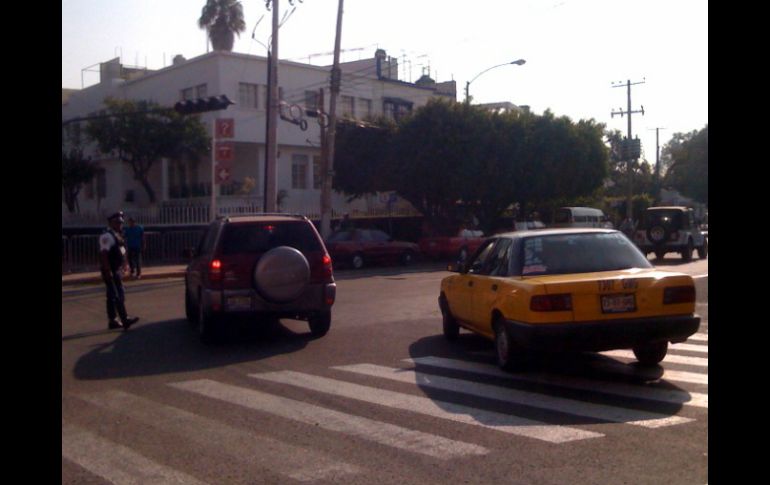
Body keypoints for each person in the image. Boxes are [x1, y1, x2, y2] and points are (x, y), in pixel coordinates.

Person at [99, 212, 139, 331]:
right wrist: (108, 271)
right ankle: (124, 319)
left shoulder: (116, 234)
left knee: (111, 296)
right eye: (117, 222)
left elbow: (121, 250)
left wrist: (124, 264)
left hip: (116, 269)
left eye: (121, 222)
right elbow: (104, 254)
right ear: (111, 223)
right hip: (110, 270)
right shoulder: (107, 236)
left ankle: (113, 321)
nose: (120, 224)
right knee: (118, 295)